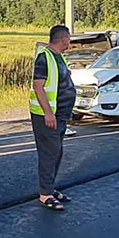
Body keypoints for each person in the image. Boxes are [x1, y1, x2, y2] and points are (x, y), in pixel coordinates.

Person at [29, 25, 76, 211]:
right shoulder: (45, 57)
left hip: (60, 116)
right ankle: (45, 195)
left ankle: (50, 188)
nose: (70, 42)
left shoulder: (58, 57)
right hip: (47, 116)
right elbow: (38, 86)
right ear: (63, 39)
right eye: (69, 39)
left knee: (57, 152)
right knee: (49, 153)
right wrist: (48, 113)